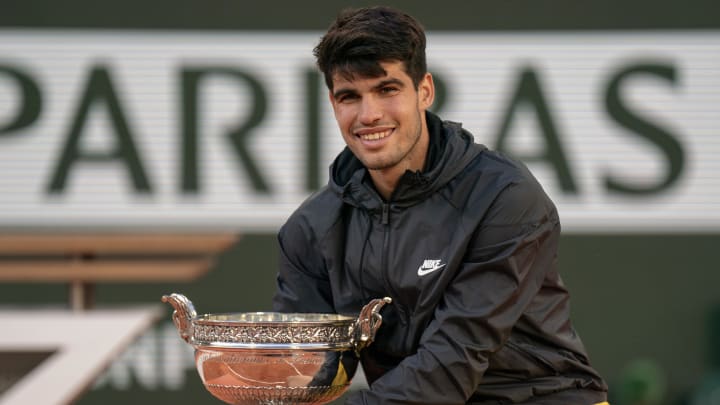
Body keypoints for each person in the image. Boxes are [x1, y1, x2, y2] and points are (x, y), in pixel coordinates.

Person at [272, 5, 609, 404]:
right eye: (350, 96)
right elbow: (308, 367)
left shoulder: (505, 198)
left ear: (425, 90)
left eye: (386, 89)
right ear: (333, 104)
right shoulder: (311, 228)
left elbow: (451, 366)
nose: (369, 114)